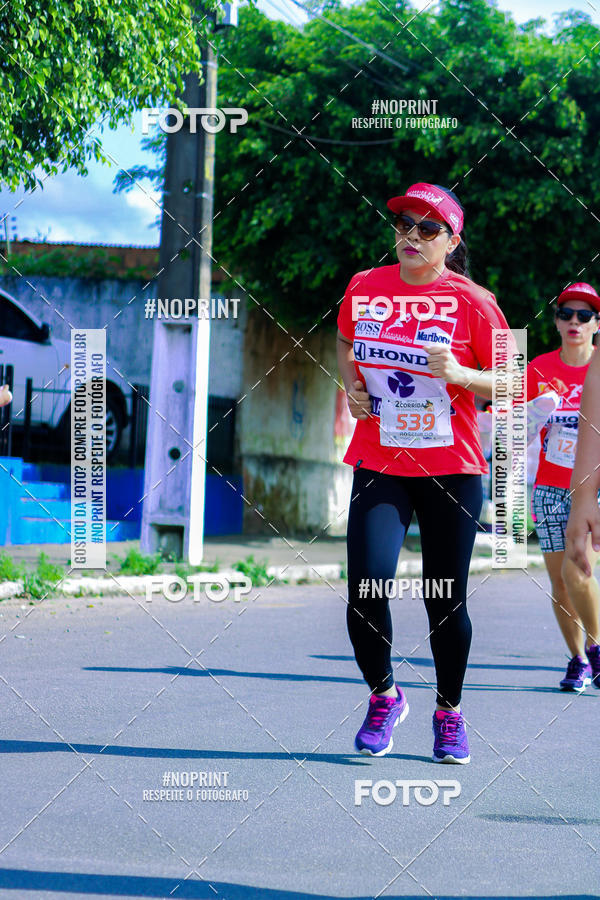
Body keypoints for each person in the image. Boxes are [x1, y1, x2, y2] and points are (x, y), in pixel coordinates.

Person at [336, 182, 512, 764]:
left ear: (451, 241)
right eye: (404, 224)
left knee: (447, 601)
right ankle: (386, 696)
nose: (411, 236)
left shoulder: (475, 301)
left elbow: (512, 383)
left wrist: (462, 374)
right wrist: (351, 387)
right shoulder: (365, 287)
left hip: (451, 468)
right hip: (381, 459)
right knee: (365, 589)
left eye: (427, 228)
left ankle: (449, 712)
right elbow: (344, 342)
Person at [527, 282, 600, 692]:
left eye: (584, 315)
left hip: (592, 489)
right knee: (558, 582)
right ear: (556, 321)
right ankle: (577, 659)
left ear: (596, 325)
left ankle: (596, 646)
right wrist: (529, 416)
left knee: (579, 572)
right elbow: (510, 424)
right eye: (566, 314)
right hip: (549, 488)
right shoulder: (537, 369)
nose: (574, 322)